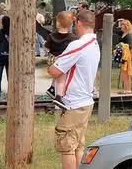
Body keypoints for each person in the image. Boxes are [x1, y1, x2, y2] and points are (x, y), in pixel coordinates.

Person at [48, 9, 100, 169]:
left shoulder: (78, 45)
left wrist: (51, 64)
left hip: (73, 103)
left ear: (79, 23)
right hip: (85, 101)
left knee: (67, 147)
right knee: (78, 145)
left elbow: (55, 70)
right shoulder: (94, 44)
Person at [44, 11, 78, 110]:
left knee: (56, 75)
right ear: (71, 25)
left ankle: (51, 88)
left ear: (58, 23)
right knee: (61, 81)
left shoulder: (51, 35)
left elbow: (46, 47)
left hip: (52, 60)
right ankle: (59, 97)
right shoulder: (73, 38)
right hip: (62, 62)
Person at [118, 18, 132, 94]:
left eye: (122, 24)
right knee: (123, 72)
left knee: (127, 72)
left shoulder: (129, 34)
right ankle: (125, 89)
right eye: (121, 24)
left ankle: (128, 89)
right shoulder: (123, 34)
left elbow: (130, 46)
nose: (121, 26)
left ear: (126, 26)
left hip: (126, 55)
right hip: (122, 54)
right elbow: (114, 30)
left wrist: (121, 45)